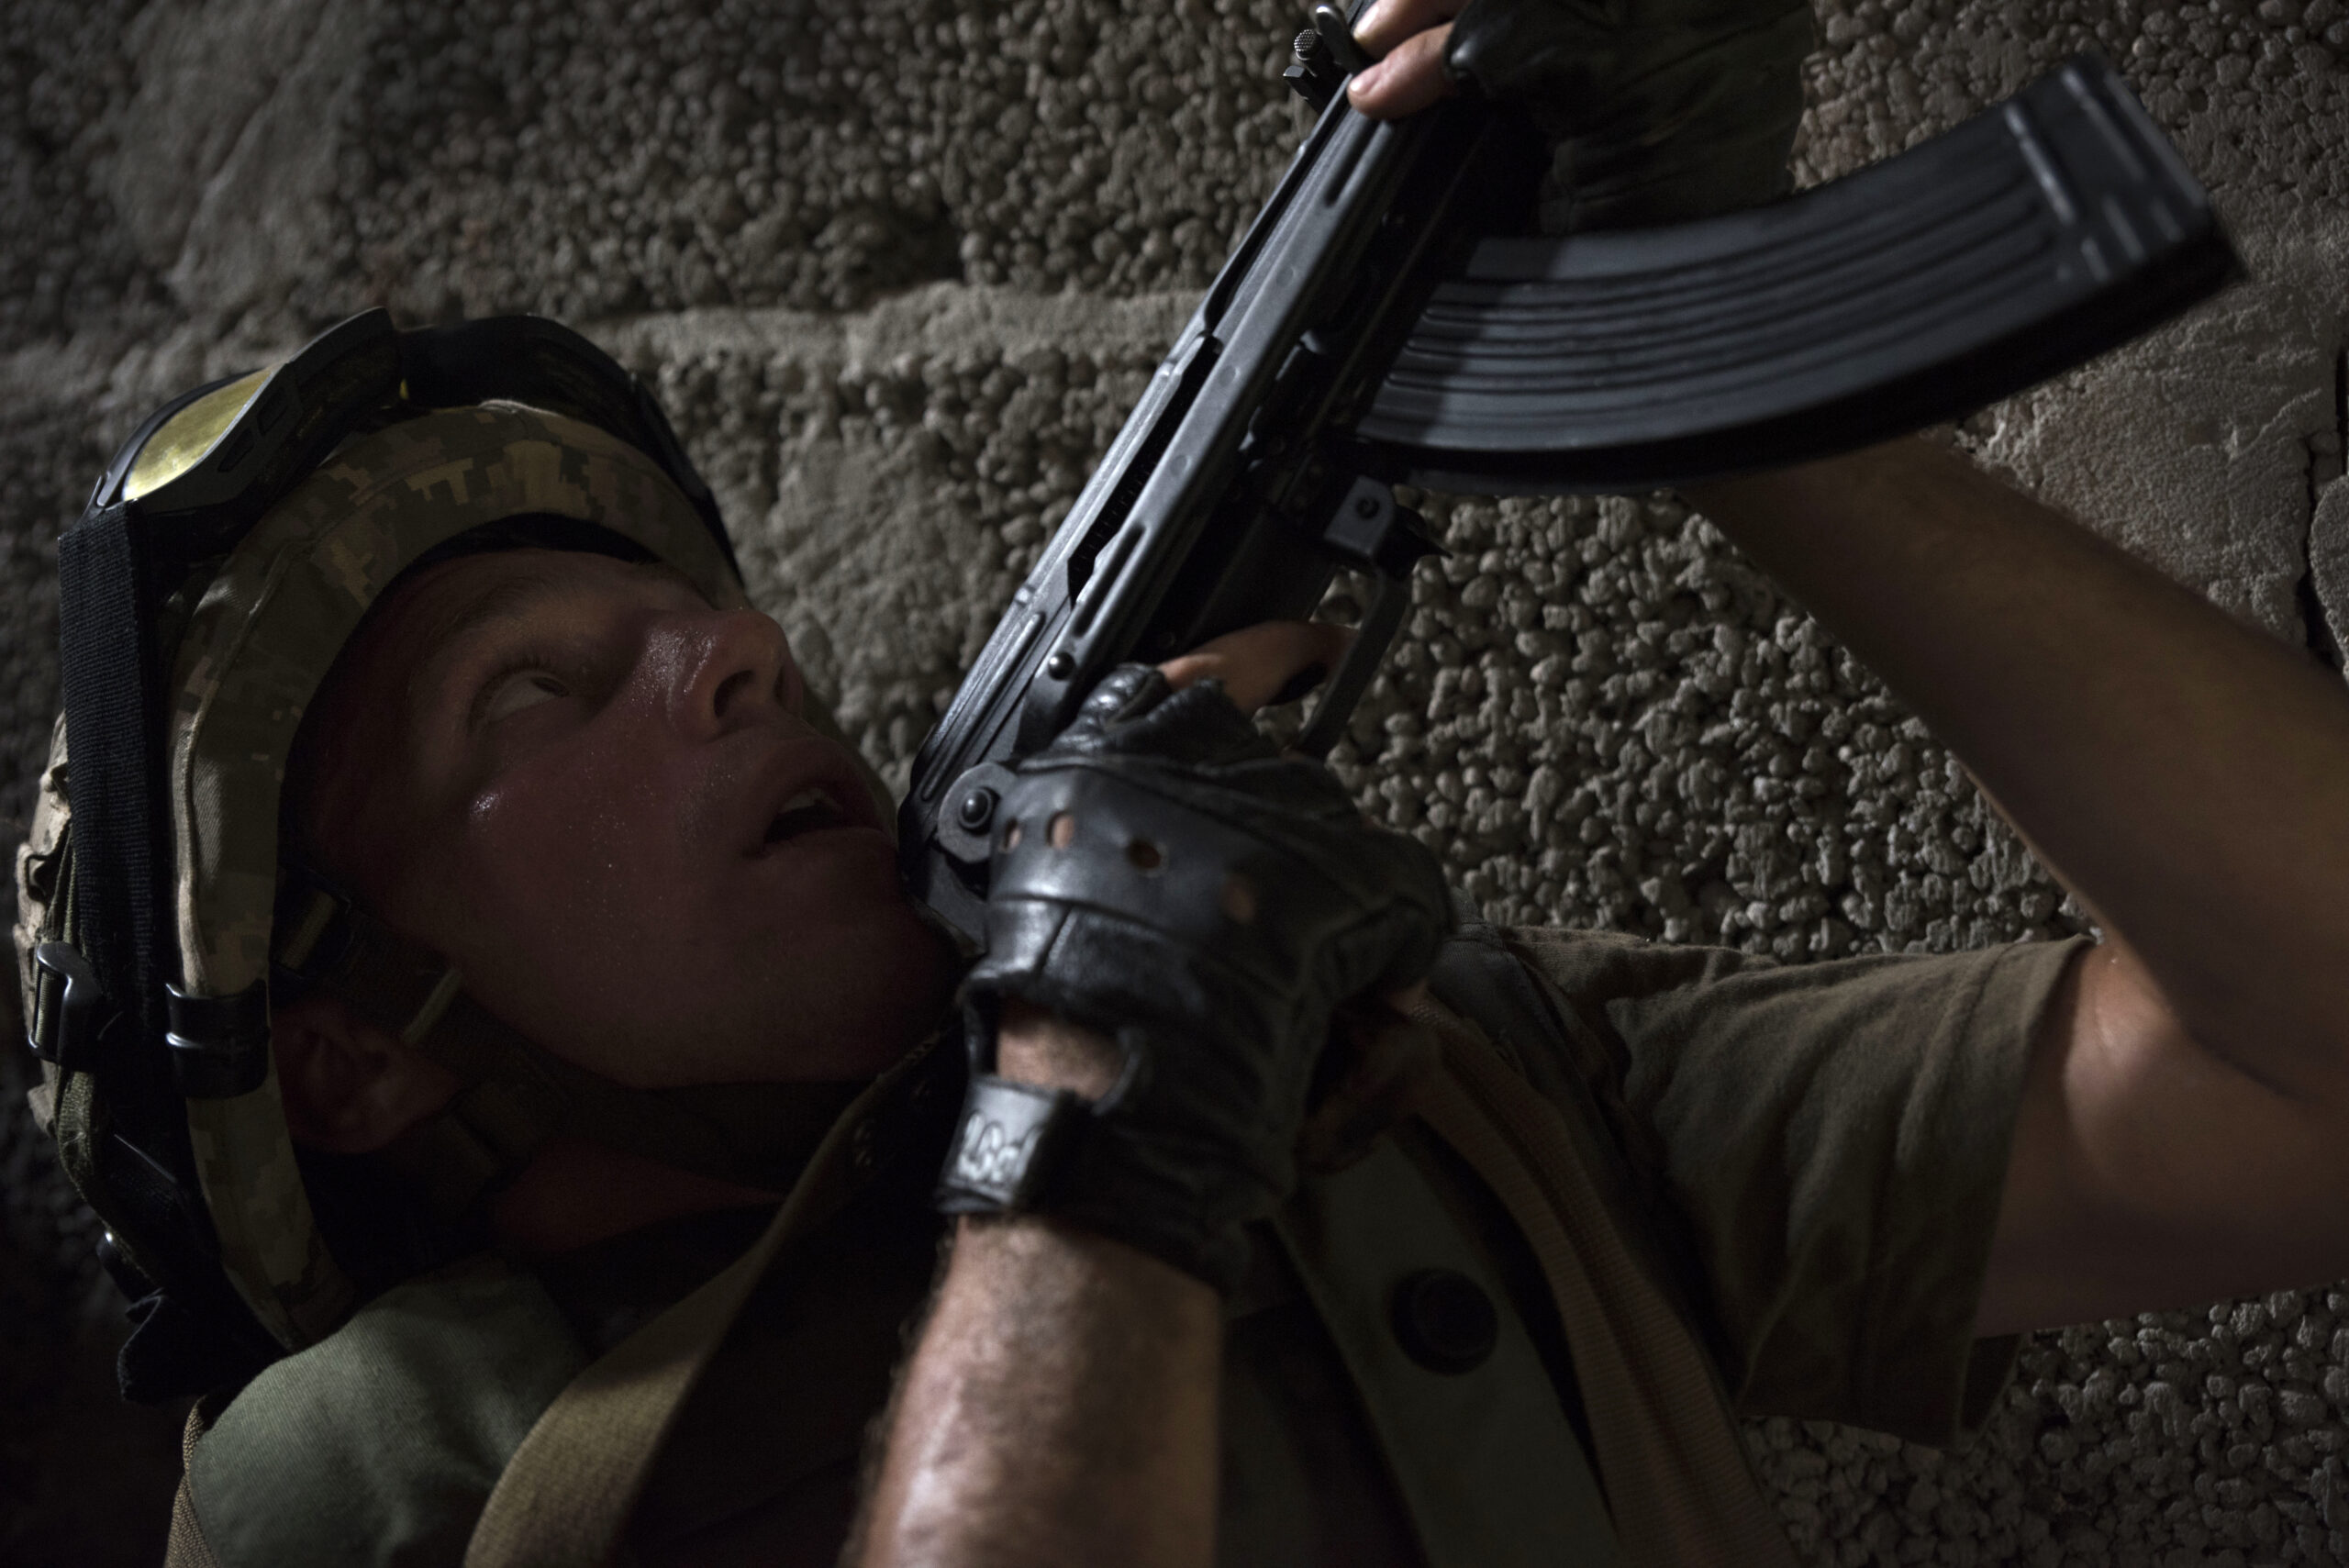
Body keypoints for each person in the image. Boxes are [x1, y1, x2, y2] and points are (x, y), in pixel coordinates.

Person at [17, 3, 2346, 1566]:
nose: (728, 655)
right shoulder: (380, 1487)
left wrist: (1749, 392)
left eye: (699, 616)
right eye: (528, 697)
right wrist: (1113, 1078)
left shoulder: (1438, 1095)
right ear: (353, 1051)